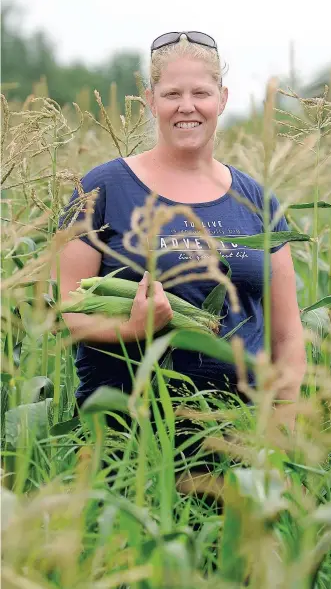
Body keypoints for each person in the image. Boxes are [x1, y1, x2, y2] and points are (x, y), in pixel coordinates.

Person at [56, 31, 306, 468]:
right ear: (150, 100)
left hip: (237, 442)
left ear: (222, 99)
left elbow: (287, 334)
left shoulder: (258, 202)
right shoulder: (101, 189)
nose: (186, 106)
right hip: (125, 438)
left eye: (200, 93)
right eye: (172, 93)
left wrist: (280, 427)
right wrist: (133, 329)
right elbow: (67, 310)